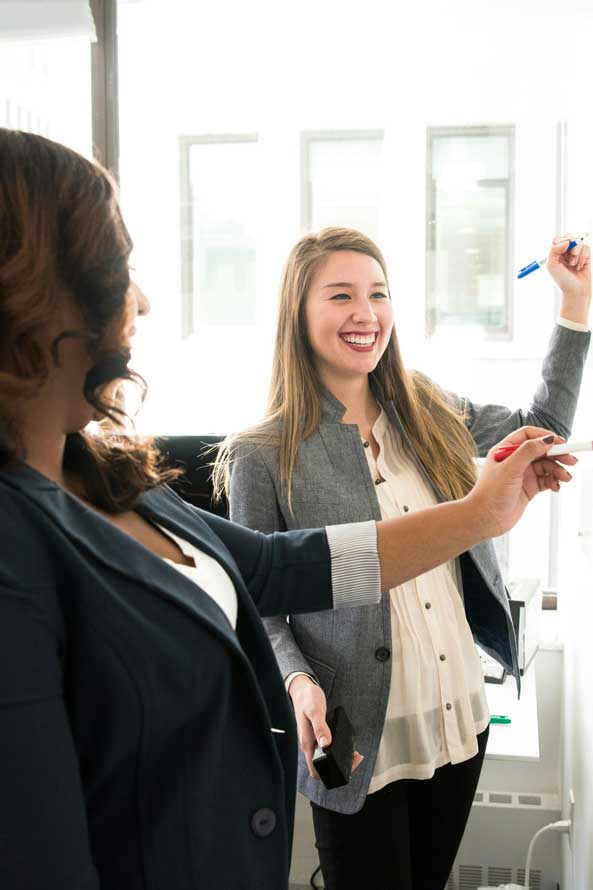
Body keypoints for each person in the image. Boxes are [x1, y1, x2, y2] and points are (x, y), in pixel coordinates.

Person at [220, 226, 591, 890]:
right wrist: (296, 683)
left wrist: (573, 306)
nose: (365, 314)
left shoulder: (426, 408)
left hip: (456, 716)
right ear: (297, 314)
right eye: (340, 296)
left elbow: (544, 429)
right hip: (348, 734)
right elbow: (258, 606)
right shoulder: (261, 453)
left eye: (377, 294)